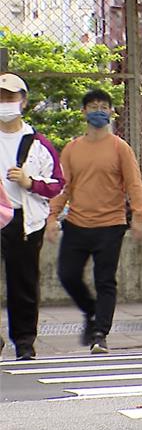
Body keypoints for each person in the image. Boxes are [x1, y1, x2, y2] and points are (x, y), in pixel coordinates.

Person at [47, 88, 142, 354]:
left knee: (105, 280)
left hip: (110, 224)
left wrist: (138, 215)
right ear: (84, 112)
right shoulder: (72, 149)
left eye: (104, 106)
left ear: (111, 112)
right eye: (93, 106)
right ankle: (91, 310)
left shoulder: (120, 148)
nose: (98, 110)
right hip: (77, 223)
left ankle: (100, 333)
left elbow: (133, 184)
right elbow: (63, 187)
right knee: (67, 275)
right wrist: (52, 216)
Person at [0, 73, 65, 360]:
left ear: (23, 102)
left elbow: (57, 184)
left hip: (24, 221)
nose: (5, 103)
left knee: (23, 282)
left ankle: (24, 341)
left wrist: (30, 182)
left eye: (10, 97)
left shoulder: (37, 143)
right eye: (0, 97)